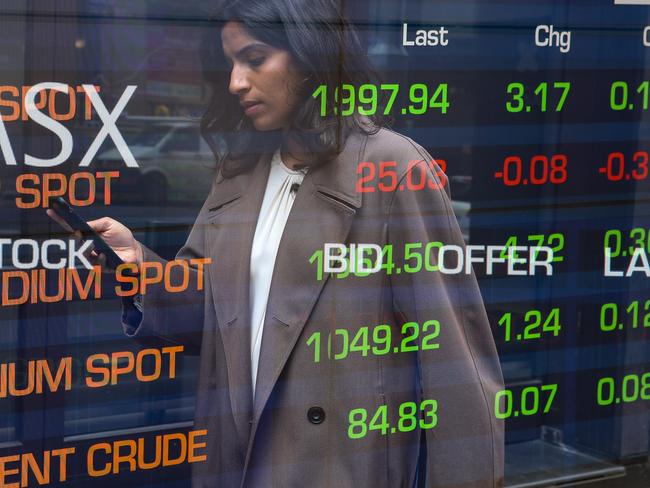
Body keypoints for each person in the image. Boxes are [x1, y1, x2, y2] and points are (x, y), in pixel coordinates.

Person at [50, 0, 504, 486]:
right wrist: (140, 263)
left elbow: (456, 367)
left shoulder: (393, 168)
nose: (235, 82)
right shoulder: (240, 169)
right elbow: (211, 310)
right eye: (229, 63)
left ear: (310, 57)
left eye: (255, 58)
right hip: (236, 462)